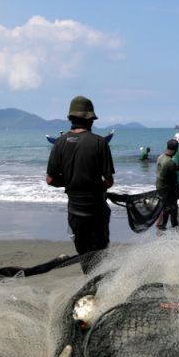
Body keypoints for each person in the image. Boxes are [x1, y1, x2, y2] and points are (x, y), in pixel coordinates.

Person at [46, 95, 115, 263]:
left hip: (75, 211)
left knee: (84, 254)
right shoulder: (100, 143)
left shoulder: (60, 143)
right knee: (100, 253)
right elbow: (109, 182)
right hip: (97, 210)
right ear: (90, 119)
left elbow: (50, 180)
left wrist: (71, 180)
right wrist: (92, 183)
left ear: (71, 118)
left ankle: (90, 281)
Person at [155, 139, 179, 230]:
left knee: (165, 207)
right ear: (176, 149)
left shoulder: (161, 156)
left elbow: (164, 170)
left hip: (159, 186)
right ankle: (175, 226)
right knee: (173, 208)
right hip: (167, 188)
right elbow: (174, 180)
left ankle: (162, 226)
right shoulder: (171, 162)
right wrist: (178, 189)